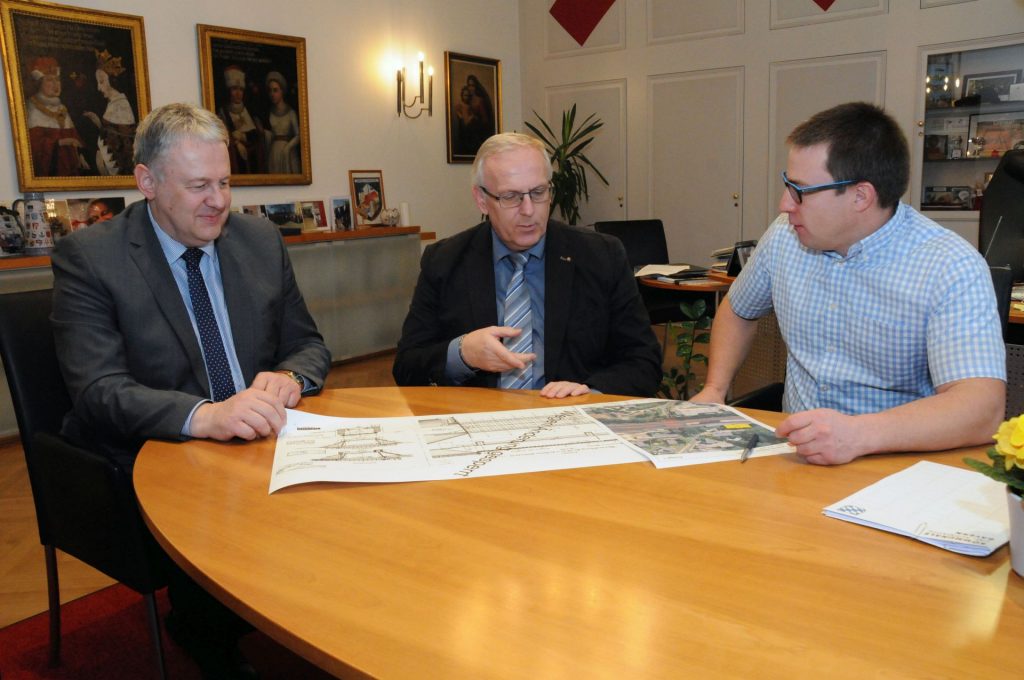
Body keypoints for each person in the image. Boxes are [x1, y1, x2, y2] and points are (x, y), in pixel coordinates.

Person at [51, 102, 330, 678]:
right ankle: (212, 634)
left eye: (225, 182)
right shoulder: (92, 258)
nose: (219, 201)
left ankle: (319, 618)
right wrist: (206, 416)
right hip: (157, 455)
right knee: (224, 526)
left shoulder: (258, 241)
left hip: (261, 438)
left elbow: (308, 345)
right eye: (200, 185)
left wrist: (291, 377)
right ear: (146, 182)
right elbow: (98, 391)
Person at [689, 102, 1006, 465]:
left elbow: (981, 407)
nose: (784, 205)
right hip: (796, 458)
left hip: (895, 465)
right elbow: (738, 310)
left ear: (860, 196)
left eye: (800, 191)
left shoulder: (949, 265)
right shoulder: (785, 236)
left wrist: (858, 435)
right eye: (786, 185)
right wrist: (715, 388)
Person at [393, 132, 661, 398]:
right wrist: (463, 353)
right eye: (510, 197)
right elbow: (407, 367)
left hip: (574, 423)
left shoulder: (601, 256)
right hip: (479, 423)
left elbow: (643, 360)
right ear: (481, 200)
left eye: (538, 192)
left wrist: (592, 392)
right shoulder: (444, 261)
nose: (529, 210)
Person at [24, 56, 90, 176]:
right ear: (39, 83)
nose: (56, 84)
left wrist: (80, 155)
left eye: (58, 79)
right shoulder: (31, 109)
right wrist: (61, 142)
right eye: (49, 80)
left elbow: (76, 140)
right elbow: (33, 149)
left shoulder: (61, 108)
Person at [82, 49, 136, 175]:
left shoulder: (120, 104)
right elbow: (112, 132)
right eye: (97, 82)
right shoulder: (113, 103)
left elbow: (120, 143)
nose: (98, 88)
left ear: (112, 80)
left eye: (101, 82)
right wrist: (98, 123)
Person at [217, 65, 265, 174]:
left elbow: (259, 135)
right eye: (234, 89)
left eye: (241, 89)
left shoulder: (251, 112)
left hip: (254, 161)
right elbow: (222, 137)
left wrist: (244, 136)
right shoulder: (223, 112)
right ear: (229, 91)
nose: (238, 93)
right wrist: (236, 143)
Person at [263, 71, 301, 174]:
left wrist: (288, 148)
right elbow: (270, 135)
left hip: (288, 153)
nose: (272, 94)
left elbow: (298, 135)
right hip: (274, 153)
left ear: (282, 91)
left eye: (275, 90)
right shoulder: (270, 112)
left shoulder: (291, 112)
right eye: (270, 91)